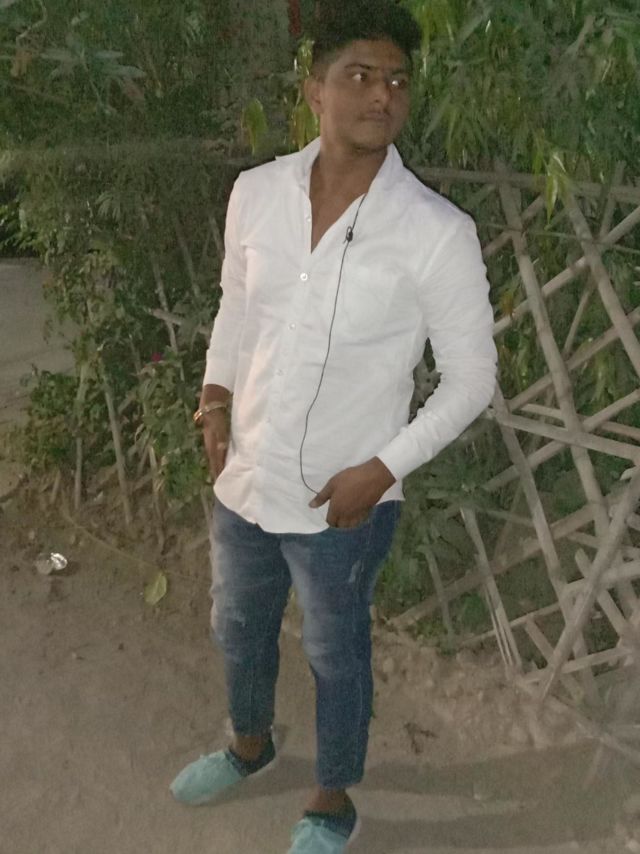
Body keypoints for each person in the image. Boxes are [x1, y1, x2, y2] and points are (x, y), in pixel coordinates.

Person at [170, 2, 497, 851]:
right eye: (360, 75)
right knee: (237, 626)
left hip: (341, 504)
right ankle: (249, 746)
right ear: (315, 87)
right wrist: (215, 396)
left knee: (335, 654)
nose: (382, 95)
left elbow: (472, 381)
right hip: (246, 477)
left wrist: (381, 471)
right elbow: (236, 307)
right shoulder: (256, 194)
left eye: (397, 81)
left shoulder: (435, 233)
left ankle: (331, 797)